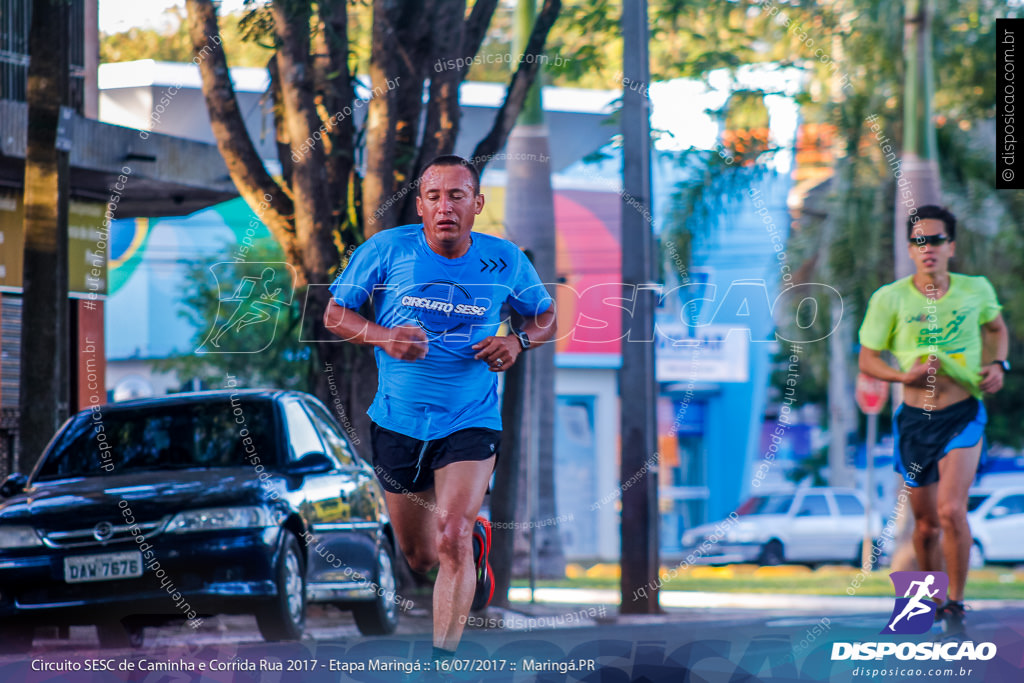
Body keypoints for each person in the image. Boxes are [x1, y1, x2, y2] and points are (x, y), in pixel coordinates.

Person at [323, 155, 557, 659]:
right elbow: (335, 313)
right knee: (421, 555)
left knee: (450, 533)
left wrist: (517, 342)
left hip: (470, 418)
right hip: (398, 422)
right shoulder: (387, 250)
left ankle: (442, 661)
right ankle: (473, 545)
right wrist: (384, 337)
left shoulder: (506, 260)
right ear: (421, 205)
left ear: (477, 204)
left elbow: (544, 316)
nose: (445, 206)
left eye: (456, 196)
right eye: (434, 196)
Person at [859, 205, 1009, 635]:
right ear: (910, 249)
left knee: (950, 511)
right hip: (914, 420)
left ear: (951, 247)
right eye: (920, 241)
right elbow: (869, 359)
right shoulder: (890, 298)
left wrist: (1000, 364)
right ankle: (927, 605)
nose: (929, 248)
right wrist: (901, 374)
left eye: (937, 240)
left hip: (963, 414)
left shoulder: (975, 289)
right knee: (924, 527)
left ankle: (956, 606)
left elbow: (996, 328)